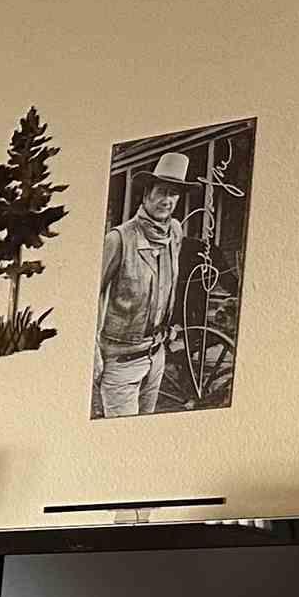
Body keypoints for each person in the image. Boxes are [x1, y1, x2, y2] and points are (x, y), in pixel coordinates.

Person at [95, 149, 189, 417]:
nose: (167, 200)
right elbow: (88, 298)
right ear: (147, 193)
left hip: (156, 355)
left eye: (174, 193)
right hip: (120, 359)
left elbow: (168, 283)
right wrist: (91, 353)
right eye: (162, 191)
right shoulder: (118, 240)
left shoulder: (175, 232)